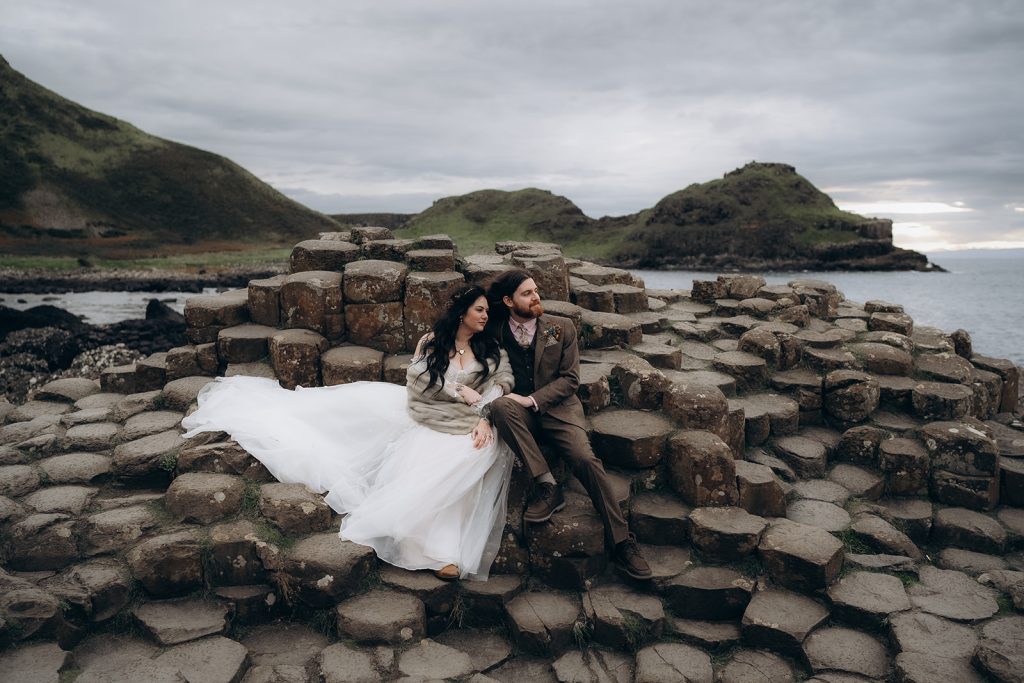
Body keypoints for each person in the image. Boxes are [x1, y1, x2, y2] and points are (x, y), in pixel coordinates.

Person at [181, 285, 515, 581]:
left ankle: (441, 549)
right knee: (370, 434)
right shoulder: (432, 344)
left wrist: (485, 414)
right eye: (480, 310)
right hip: (431, 418)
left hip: (475, 423)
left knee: (471, 455)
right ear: (461, 313)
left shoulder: (491, 350)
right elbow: (418, 388)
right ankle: (420, 541)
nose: (486, 316)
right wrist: (457, 392)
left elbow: (504, 385)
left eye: (487, 310)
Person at [487, 269, 652, 579]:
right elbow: (461, 333)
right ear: (509, 301)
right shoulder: (494, 330)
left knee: (585, 459)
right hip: (518, 415)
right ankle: (547, 486)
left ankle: (622, 542)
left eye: (535, 290)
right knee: (499, 407)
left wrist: (533, 399)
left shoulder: (560, 328)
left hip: (559, 411)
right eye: (527, 293)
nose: (536, 297)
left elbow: (571, 380)